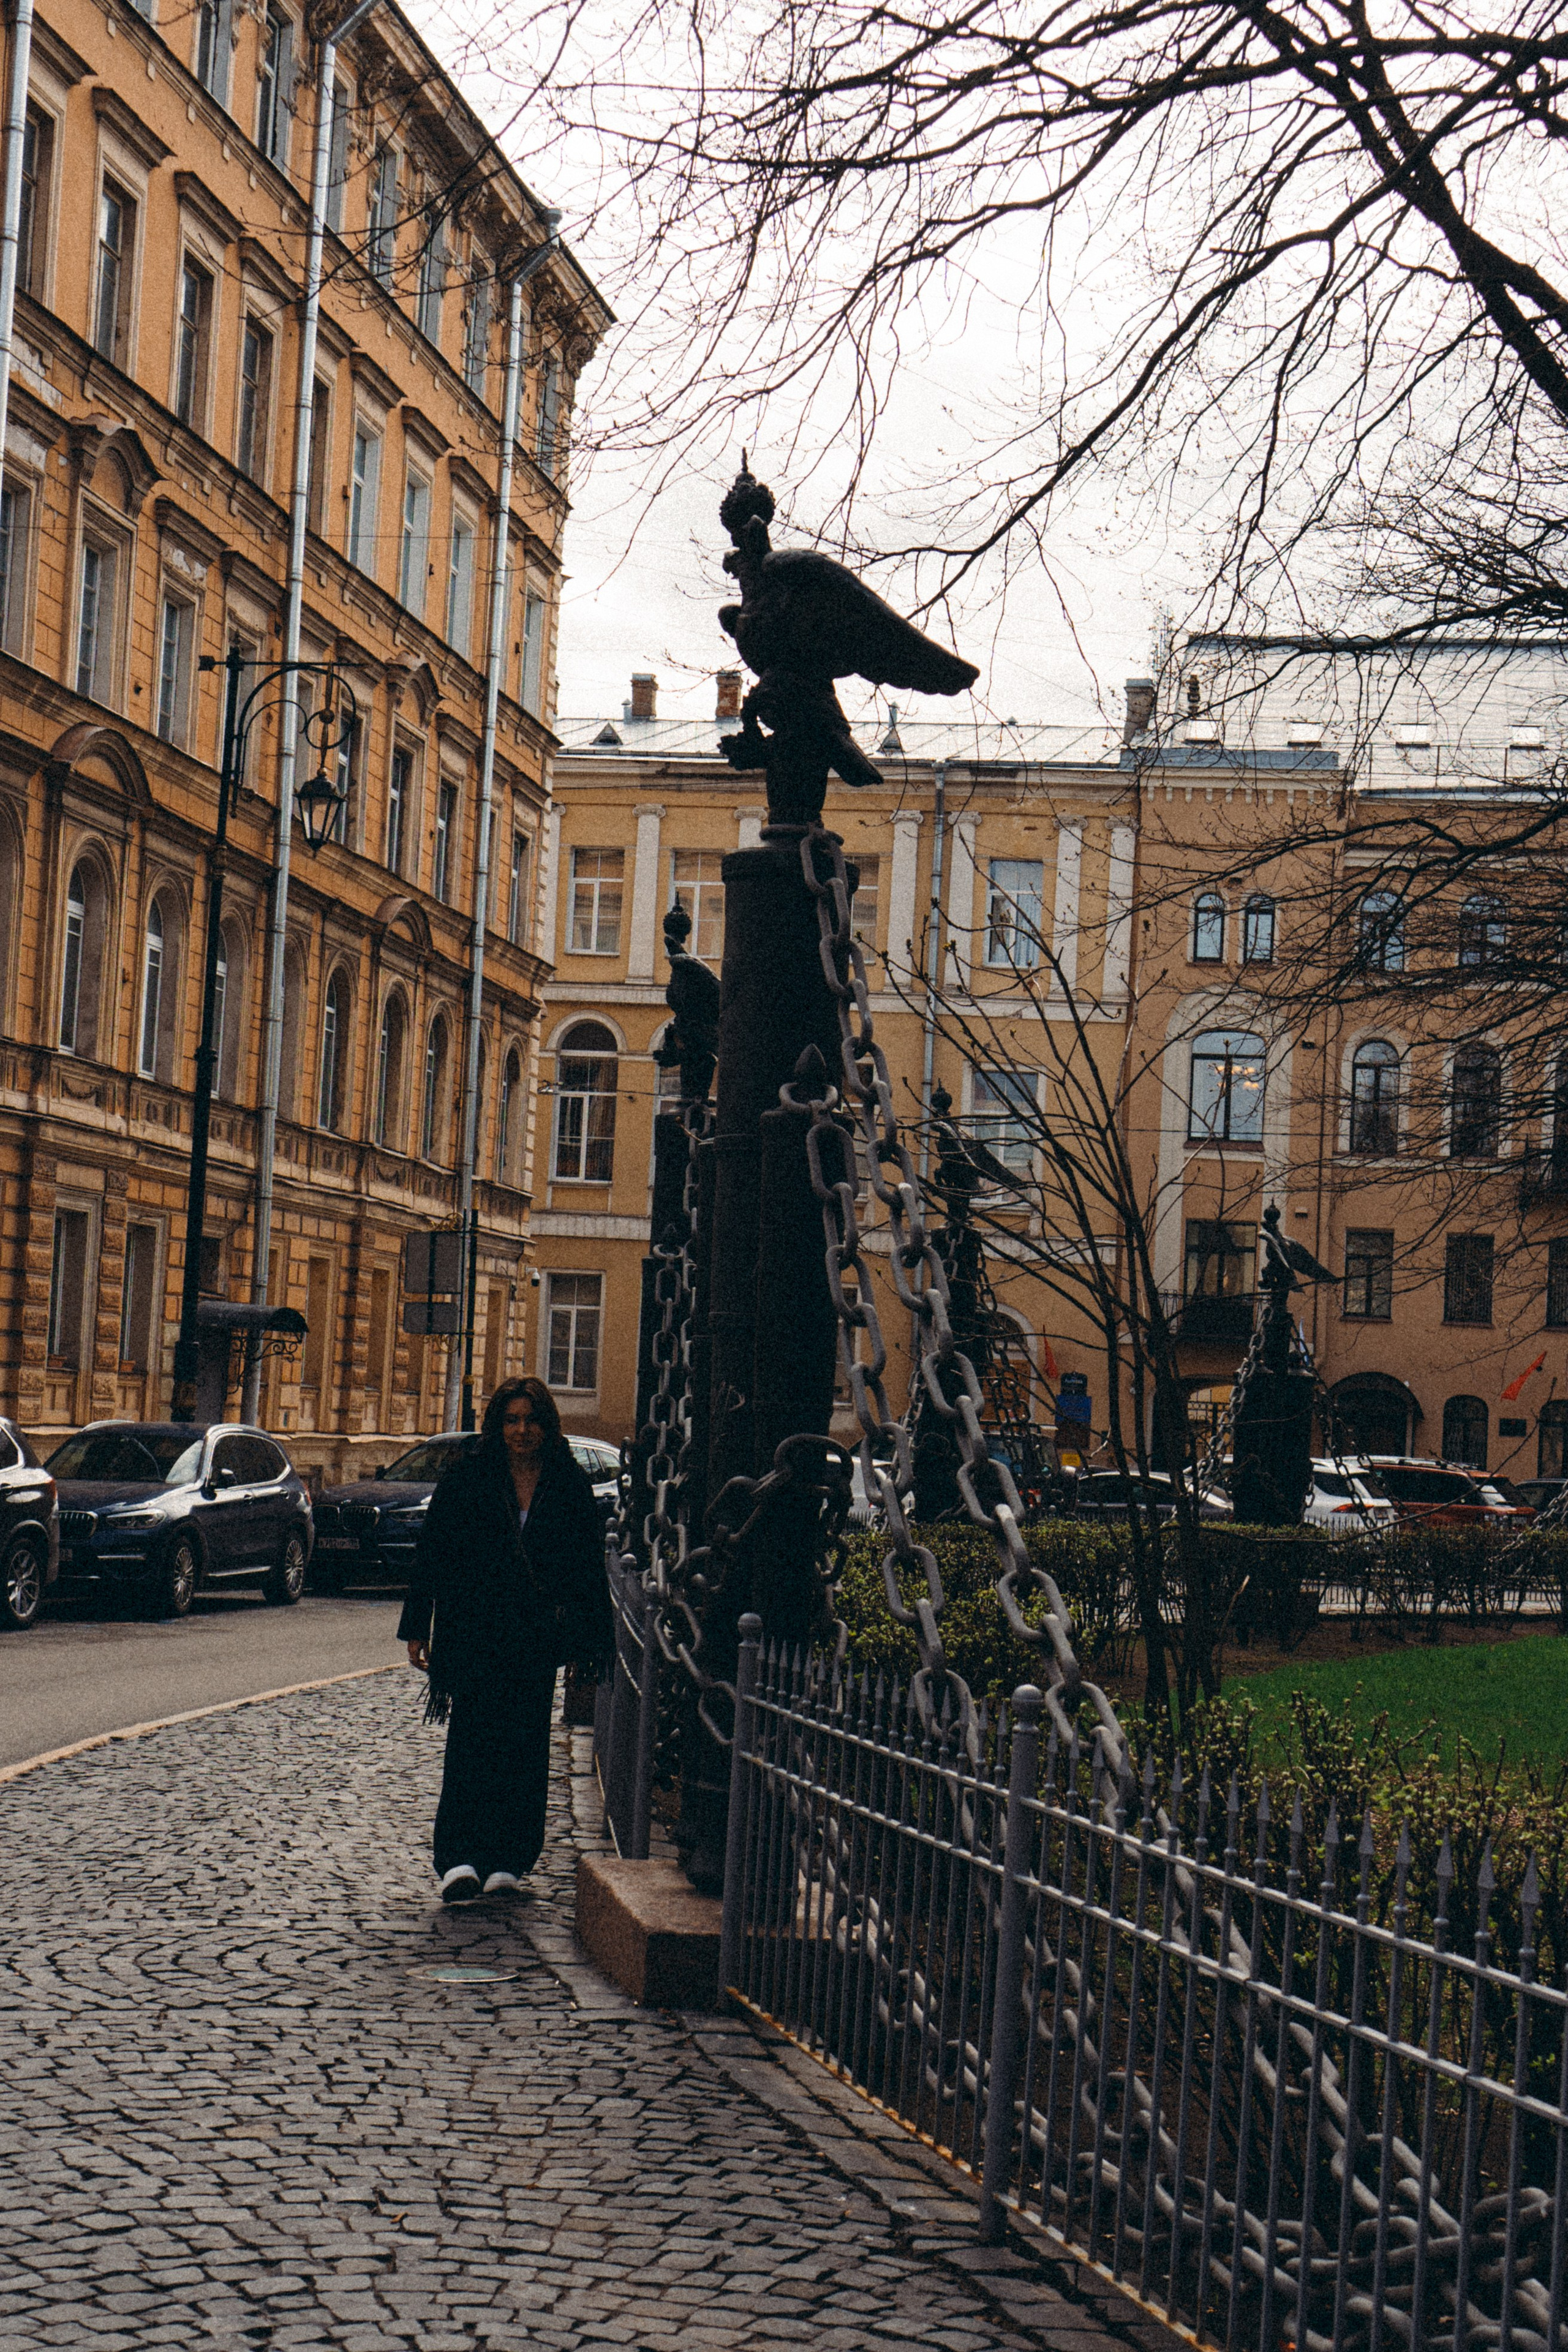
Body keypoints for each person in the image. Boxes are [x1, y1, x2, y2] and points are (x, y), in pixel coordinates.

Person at [399, 1376, 613, 1904]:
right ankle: (459, 1859)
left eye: (530, 1420)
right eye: (512, 1420)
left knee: (523, 1745)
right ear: (498, 1424)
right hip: (471, 1630)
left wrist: (589, 1641)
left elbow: (587, 1567)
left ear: (546, 1425)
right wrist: (416, 1626)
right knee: (471, 1743)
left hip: (533, 1636)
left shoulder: (566, 1481)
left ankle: (509, 1860)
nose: (521, 1431)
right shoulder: (468, 1476)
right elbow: (435, 1553)